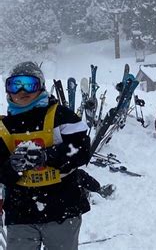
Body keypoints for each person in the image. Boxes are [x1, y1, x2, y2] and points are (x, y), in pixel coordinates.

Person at [0, 62, 90, 250]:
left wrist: (47, 156)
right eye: (15, 85)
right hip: (20, 212)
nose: (22, 91)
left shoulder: (61, 116)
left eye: (29, 84)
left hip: (62, 209)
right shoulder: (4, 127)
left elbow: (81, 150)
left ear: (40, 86)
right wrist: (13, 166)